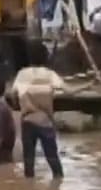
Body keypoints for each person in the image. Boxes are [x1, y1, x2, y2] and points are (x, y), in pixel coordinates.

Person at [9, 43, 66, 179]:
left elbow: (13, 95)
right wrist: (89, 84)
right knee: (55, 165)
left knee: (28, 165)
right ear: (46, 57)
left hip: (27, 121)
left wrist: (20, 106)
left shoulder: (22, 74)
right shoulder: (50, 74)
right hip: (45, 122)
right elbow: (68, 90)